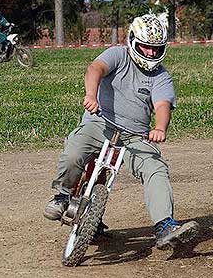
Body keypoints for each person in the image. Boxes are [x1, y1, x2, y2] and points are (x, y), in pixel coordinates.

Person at [44, 14, 199, 250]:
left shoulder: (161, 76)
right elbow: (95, 69)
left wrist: (159, 127)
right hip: (100, 122)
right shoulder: (118, 54)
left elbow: (162, 105)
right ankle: (62, 196)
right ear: (133, 41)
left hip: (135, 136)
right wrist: (90, 96)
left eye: (155, 49)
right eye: (145, 47)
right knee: (74, 152)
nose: (149, 53)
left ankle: (164, 226)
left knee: (155, 168)